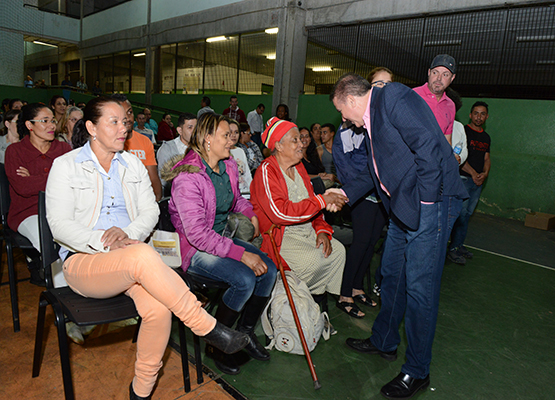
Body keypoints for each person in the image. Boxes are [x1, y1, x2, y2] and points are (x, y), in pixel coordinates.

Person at [44, 96, 249, 400]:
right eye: (113, 121)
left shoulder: (132, 164)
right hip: (84, 262)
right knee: (142, 255)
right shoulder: (66, 166)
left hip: (132, 260)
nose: (123, 127)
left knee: (159, 310)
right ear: (91, 127)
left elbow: (151, 212)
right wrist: (102, 239)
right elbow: (59, 225)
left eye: (124, 121)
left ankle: (140, 391)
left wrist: (126, 234)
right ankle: (206, 326)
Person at [329, 73, 467, 399]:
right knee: (391, 273)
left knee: (420, 288)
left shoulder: (392, 98)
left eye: (341, 110)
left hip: (433, 202)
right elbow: (377, 169)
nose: (343, 119)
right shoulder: (372, 118)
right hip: (407, 206)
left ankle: (417, 370)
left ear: (349, 99)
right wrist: (345, 193)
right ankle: (384, 341)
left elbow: (430, 149)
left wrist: (428, 206)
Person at [162, 113, 277, 376]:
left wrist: (250, 212)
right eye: (226, 135)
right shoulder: (187, 178)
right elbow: (198, 236)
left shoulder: (228, 166)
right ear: (207, 139)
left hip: (220, 238)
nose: (231, 140)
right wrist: (241, 254)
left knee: (268, 270)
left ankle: (245, 335)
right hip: (195, 249)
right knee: (245, 279)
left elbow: (235, 199)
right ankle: (218, 343)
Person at [250, 117, 347, 298]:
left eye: (300, 140)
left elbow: (313, 207)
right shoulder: (266, 171)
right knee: (312, 261)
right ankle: (294, 299)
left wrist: (321, 230)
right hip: (282, 235)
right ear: (278, 146)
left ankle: (310, 303)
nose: (301, 144)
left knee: (338, 251)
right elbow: (280, 213)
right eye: (295, 140)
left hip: (307, 231)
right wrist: (322, 200)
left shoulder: (299, 167)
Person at [332, 67, 393, 318]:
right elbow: (345, 165)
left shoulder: (381, 121)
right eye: (378, 83)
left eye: (388, 84)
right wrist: (352, 192)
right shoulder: (350, 127)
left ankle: (357, 288)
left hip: (380, 194)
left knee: (371, 242)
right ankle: (344, 293)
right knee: (359, 243)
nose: (383, 88)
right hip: (360, 194)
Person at [5, 103, 72, 285]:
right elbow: (23, 188)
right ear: (29, 125)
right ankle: (63, 296)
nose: (52, 125)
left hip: (61, 210)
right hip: (28, 213)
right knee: (49, 242)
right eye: (45, 121)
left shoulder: (64, 149)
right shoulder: (15, 151)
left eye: (53, 121)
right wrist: (55, 177)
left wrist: (35, 177)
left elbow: (73, 182)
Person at [448, 101, 491, 265]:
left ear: (486, 116)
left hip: (477, 183)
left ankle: (458, 245)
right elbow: (459, 156)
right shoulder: (462, 131)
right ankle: (452, 250)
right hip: (463, 179)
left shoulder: (486, 137)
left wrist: (484, 174)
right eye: (476, 113)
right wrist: (474, 174)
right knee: (459, 214)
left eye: (482, 114)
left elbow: (486, 158)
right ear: (470, 115)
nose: (478, 117)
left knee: (466, 216)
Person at [112, 94, 162, 201]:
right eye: (121, 113)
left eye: (129, 112)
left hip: (142, 201)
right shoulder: (108, 144)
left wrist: (154, 203)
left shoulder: (145, 141)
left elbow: (153, 178)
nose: (127, 117)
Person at [413, 54, 457, 145]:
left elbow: (447, 140)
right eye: (435, 72)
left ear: (452, 78)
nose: (438, 78)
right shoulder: (412, 95)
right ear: (429, 72)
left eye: (445, 75)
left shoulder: (451, 105)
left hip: (435, 158)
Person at [157, 112, 196, 193]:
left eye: (196, 128)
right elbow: (163, 180)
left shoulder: (202, 149)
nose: (194, 132)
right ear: (180, 130)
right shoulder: (167, 149)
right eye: (190, 127)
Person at [299, 127, 333, 191]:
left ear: (310, 139)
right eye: (301, 136)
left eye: (306, 136)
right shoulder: (295, 157)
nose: (304, 139)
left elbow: (320, 170)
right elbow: (299, 176)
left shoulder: (313, 154)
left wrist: (325, 175)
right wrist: (318, 176)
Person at [228, 118, 252, 197]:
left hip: (246, 193)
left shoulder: (240, 151)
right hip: (234, 195)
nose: (234, 135)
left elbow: (247, 175)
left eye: (236, 132)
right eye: (230, 132)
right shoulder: (221, 153)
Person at [446, 88, 468, 166]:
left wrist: (459, 158)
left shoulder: (459, 126)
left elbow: (464, 150)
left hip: (451, 170)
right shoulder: (431, 123)